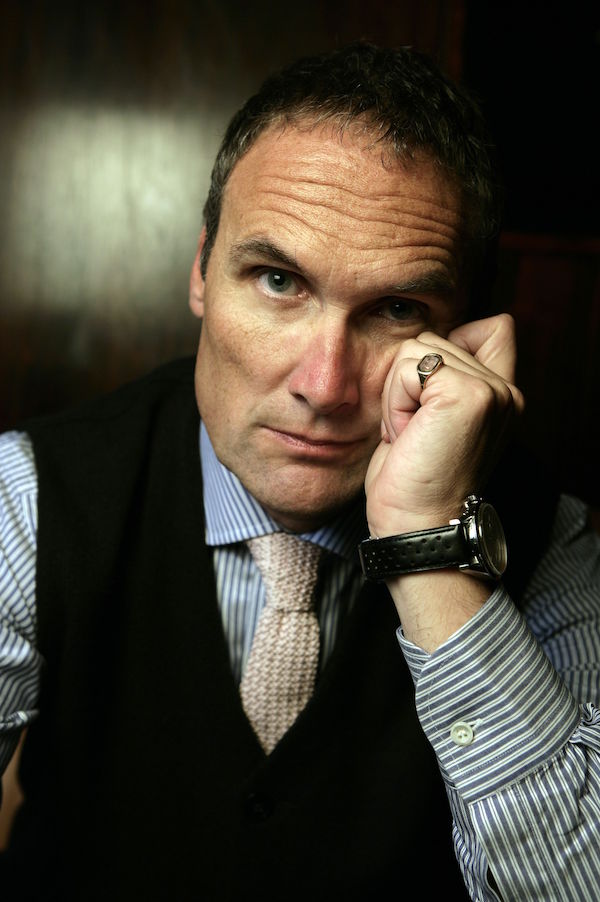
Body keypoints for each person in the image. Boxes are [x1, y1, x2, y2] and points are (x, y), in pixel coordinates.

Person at [0, 42, 599, 901]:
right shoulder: (30, 496)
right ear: (204, 269)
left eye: (397, 309)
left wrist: (429, 545)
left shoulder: (548, 537)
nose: (323, 385)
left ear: (463, 338)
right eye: (279, 280)